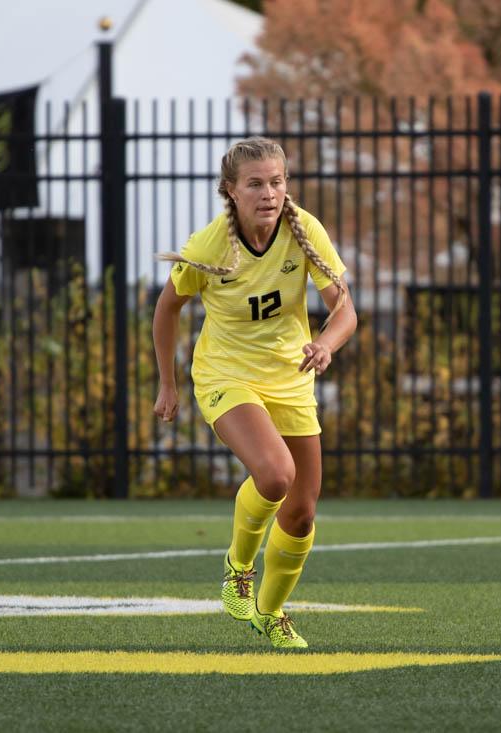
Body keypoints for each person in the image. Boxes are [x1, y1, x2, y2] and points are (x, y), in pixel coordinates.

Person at [152, 136, 356, 649]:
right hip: (227, 375)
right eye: (256, 184)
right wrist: (167, 383)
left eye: (278, 182)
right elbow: (166, 309)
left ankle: (270, 612)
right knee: (275, 474)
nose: (269, 193)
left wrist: (326, 343)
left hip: (290, 377)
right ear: (231, 191)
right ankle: (238, 568)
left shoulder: (304, 229)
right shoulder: (209, 245)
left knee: (303, 510)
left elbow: (345, 310)